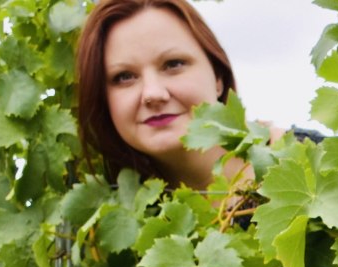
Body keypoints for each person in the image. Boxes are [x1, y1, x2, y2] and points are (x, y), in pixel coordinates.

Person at [75, 0, 309, 190]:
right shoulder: (120, 231)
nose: (153, 93)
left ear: (217, 77)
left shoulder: (315, 163)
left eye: (173, 64)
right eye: (124, 77)